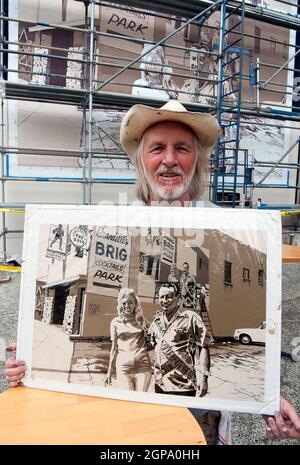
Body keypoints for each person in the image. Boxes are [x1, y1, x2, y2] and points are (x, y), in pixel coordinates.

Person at [5, 99, 299, 443]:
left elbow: (210, 350)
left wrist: (267, 397)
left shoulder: (232, 228)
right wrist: (32, 363)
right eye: (157, 148)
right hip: (130, 430)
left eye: (182, 149)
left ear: (197, 161)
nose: (170, 159)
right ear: (141, 163)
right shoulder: (113, 220)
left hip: (201, 430)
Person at [149, 282, 211, 397]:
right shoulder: (156, 321)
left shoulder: (190, 317)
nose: (164, 300)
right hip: (160, 384)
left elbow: (203, 347)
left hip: (183, 384)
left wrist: (203, 378)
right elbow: (152, 345)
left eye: (169, 296)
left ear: (178, 298)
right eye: (161, 297)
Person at [104, 288, 152, 392]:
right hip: (123, 369)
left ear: (135, 304)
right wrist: (109, 371)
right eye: (124, 303)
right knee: (127, 402)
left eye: (130, 302)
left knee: (141, 401)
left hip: (143, 368)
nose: (127, 306)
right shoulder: (115, 322)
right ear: (120, 304)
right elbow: (114, 348)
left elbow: (156, 338)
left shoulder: (142, 321)